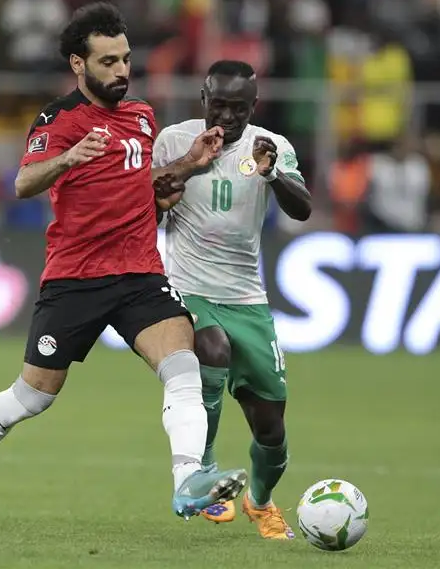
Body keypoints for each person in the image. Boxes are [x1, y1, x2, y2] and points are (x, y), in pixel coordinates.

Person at [0, 3, 247, 527]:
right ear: (78, 65)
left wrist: (189, 164)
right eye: (108, 61)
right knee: (33, 397)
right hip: (75, 278)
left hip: (139, 273)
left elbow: (142, 186)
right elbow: (24, 182)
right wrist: (68, 158)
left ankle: (187, 481)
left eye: (125, 59)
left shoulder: (142, 116)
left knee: (183, 366)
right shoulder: (58, 120)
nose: (122, 70)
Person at [152, 60, 312, 540]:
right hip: (187, 287)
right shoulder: (175, 141)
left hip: (246, 298)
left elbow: (302, 208)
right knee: (211, 348)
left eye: (238, 108)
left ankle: (259, 503)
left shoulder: (271, 147)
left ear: (254, 106)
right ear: (203, 98)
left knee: (272, 430)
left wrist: (272, 174)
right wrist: (171, 186)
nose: (227, 115)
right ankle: (203, 469)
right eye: (218, 104)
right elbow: (146, 209)